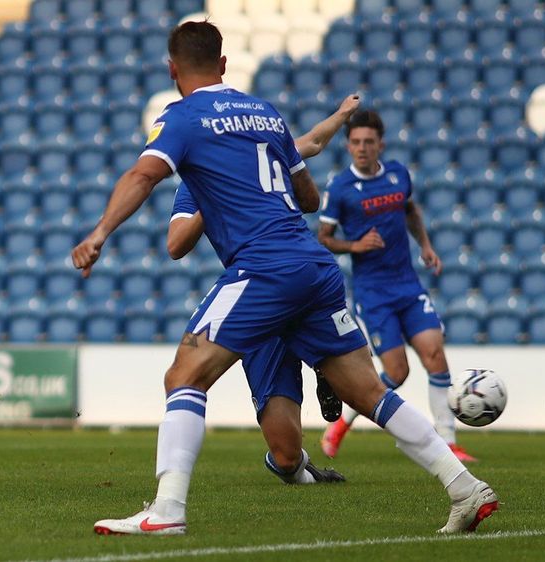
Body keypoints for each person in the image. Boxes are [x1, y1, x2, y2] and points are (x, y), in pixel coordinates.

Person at [71, 21, 497, 535]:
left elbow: (143, 175)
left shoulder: (181, 118)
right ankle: (465, 488)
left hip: (264, 265)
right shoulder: (264, 113)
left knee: (184, 376)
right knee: (368, 392)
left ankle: (167, 511)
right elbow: (311, 200)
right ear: (225, 65)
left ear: (173, 69)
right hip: (313, 264)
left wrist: (99, 233)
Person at [165, 95, 362, 483]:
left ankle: (322, 360)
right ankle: (303, 467)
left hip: (295, 278)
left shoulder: (261, 153)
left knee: (362, 385)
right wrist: (212, 194)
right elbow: (175, 245)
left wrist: (340, 115)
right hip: (255, 295)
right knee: (287, 458)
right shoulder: (191, 186)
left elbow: (313, 142)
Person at [317, 110, 476, 463]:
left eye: (368, 142)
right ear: (348, 145)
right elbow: (324, 237)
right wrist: (355, 246)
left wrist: (426, 245)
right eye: (355, 142)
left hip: (407, 283)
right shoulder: (340, 188)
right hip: (373, 293)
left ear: (380, 144)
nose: (361, 148)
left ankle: (448, 442)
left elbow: (410, 211)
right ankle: (342, 423)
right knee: (397, 373)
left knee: (435, 354)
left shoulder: (398, 175)